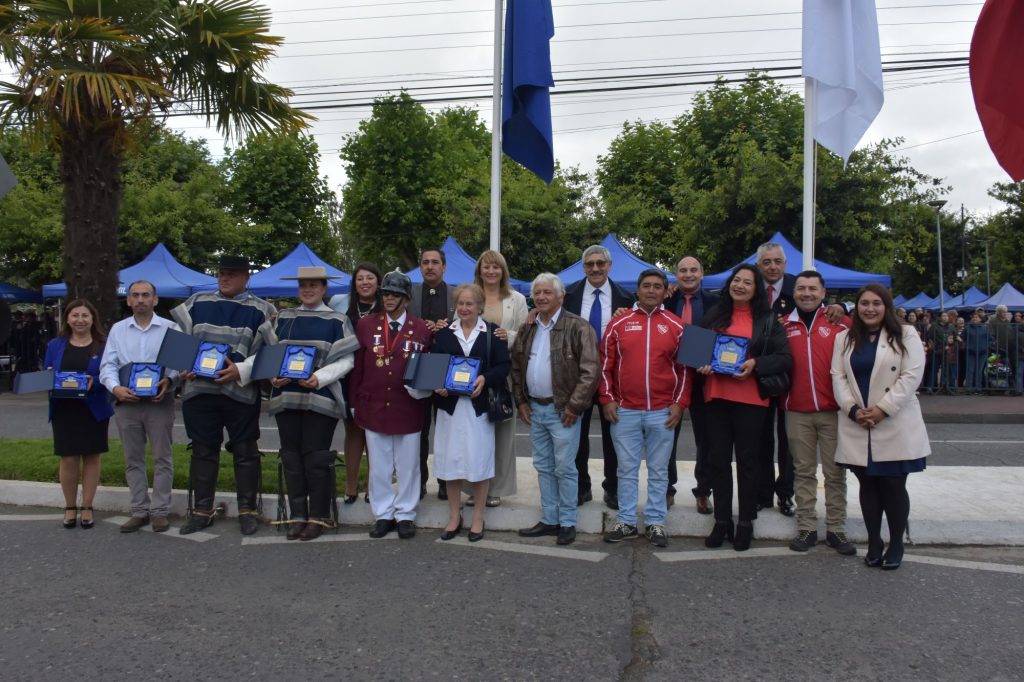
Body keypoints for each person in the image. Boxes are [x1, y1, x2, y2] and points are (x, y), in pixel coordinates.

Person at [238, 266, 358, 541]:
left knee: (316, 458)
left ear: (324, 288)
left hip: (320, 397)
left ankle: (318, 516)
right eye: (303, 285)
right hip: (287, 398)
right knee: (291, 458)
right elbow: (266, 353)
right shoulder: (282, 319)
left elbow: (346, 360)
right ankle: (297, 515)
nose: (308, 289)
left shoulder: (337, 321)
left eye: (314, 285)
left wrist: (319, 377)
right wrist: (272, 374)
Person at [171, 255, 276, 535]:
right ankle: (202, 510)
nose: (224, 278)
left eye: (231, 274)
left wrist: (240, 370)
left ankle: (247, 510)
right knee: (203, 450)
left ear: (246, 278)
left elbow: (269, 354)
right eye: (221, 273)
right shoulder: (197, 302)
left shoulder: (264, 309)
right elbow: (178, 340)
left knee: (245, 451)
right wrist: (183, 364)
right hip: (199, 391)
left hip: (239, 391)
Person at [832, 284, 929, 571]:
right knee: (868, 485)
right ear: (857, 307)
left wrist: (882, 409)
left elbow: (911, 376)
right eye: (864, 303)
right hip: (857, 421)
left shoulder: (907, 334)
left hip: (894, 420)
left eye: (876, 303)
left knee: (893, 486)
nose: (870, 309)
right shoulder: (844, 338)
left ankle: (896, 542)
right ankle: (874, 541)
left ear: (886, 306)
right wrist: (852, 409)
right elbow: (838, 377)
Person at [699, 264, 792, 551]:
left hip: (752, 401)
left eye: (747, 283)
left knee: (748, 462)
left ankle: (745, 521)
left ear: (756, 290)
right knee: (718, 461)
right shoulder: (714, 315)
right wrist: (700, 362)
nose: (739, 285)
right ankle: (722, 520)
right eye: (736, 280)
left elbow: (784, 357)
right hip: (717, 397)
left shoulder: (767, 320)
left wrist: (755, 364)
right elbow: (696, 352)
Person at [599, 269, 691, 548]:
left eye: (657, 286)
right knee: (625, 469)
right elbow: (605, 365)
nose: (652, 290)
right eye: (646, 286)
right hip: (625, 410)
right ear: (637, 291)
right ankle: (626, 520)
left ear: (665, 292)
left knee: (659, 470)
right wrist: (607, 398)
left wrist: (680, 403)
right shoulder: (618, 324)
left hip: (663, 412)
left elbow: (685, 369)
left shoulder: (677, 326)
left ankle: (655, 522)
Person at [512, 273, 599, 546]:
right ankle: (550, 519)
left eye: (547, 292)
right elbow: (517, 368)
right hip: (536, 409)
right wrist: (522, 402)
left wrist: (575, 406)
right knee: (544, 467)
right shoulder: (528, 328)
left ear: (560, 296)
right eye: (537, 292)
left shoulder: (578, 326)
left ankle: (568, 522)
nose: (541, 297)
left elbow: (590, 372)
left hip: (564, 411)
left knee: (565, 468)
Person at [351, 271, 433, 539]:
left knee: (408, 465)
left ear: (406, 299)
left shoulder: (421, 329)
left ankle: (406, 514)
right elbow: (358, 367)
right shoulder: (366, 325)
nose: (388, 298)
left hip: (407, 406)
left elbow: (426, 369)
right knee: (380, 465)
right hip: (374, 404)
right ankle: (384, 514)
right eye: (386, 293)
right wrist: (354, 402)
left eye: (395, 294)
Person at [781, 271, 856, 555]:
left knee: (836, 473)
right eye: (801, 288)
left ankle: (836, 529)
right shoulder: (784, 325)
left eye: (813, 288)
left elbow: (870, 318)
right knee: (803, 471)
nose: (807, 293)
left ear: (823, 292)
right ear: (794, 293)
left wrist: (847, 306)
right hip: (796, 411)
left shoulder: (841, 323)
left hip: (834, 412)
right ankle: (807, 527)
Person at [431, 284, 511, 542]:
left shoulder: (492, 334)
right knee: (450, 463)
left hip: (478, 410)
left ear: (479, 307)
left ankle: (478, 517)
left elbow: (503, 366)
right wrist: (439, 386)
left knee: (479, 462)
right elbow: (435, 367)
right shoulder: (443, 334)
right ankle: (454, 516)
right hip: (450, 410)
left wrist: (484, 379)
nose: (464, 309)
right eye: (460, 304)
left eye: (470, 304)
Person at [99, 281, 179, 533]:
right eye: (136, 295)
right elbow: (107, 365)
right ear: (129, 301)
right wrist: (115, 388)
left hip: (159, 402)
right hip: (127, 402)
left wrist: (169, 380)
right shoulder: (118, 330)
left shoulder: (170, 328)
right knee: (132, 459)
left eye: (146, 295)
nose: (141, 299)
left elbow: (177, 364)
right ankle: (139, 510)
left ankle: (159, 511)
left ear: (155, 300)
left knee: (162, 458)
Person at [563, 244, 635, 509]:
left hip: (613, 378)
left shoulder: (627, 298)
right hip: (577, 376)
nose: (595, 268)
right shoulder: (568, 295)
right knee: (576, 436)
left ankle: (612, 488)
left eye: (600, 263)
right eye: (590, 264)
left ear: (609, 266)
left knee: (614, 436)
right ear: (584, 267)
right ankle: (581, 487)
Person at [44, 299, 114, 530]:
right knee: (68, 457)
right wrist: (51, 377)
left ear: (92, 319)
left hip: (93, 409)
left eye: (85, 315)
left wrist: (96, 383)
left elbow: (111, 376)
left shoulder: (103, 345)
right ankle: (69, 506)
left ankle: (87, 506)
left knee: (92, 457)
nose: (80, 320)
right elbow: (46, 373)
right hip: (64, 409)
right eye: (75, 316)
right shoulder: (55, 344)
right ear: (68, 319)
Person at [470, 249, 528, 507]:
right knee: (474, 434)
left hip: (503, 374)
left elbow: (527, 333)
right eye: (486, 267)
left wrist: (510, 336)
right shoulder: (469, 296)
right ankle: (474, 489)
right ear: (479, 270)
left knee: (502, 433)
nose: (491, 271)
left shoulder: (516, 299)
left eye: (496, 267)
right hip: (472, 375)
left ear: (503, 271)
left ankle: (496, 489)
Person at [663, 255, 718, 514]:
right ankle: (667, 489)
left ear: (702, 274)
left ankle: (703, 491)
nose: (688, 274)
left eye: (693, 270)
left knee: (706, 438)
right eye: (683, 270)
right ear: (676, 275)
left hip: (704, 377)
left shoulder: (717, 303)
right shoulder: (666, 298)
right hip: (670, 377)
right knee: (666, 437)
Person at [330, 261, 383, 503]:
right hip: (348, 373)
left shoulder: (387, 305)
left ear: (378, 282)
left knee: (373, 433)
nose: (365, 282)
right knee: (353, 431)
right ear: (354, 282)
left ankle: (373, 487)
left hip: (376, 375)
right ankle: (350, 486)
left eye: (370, 278)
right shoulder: (339, 303)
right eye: (360, 278)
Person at [408, 247, 456, 500]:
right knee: (420, 429)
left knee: (446, 429)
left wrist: (448, 327)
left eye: (435, 262)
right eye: (425, 262)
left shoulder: (456, 295)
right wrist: (419, 327)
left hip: (448, 369)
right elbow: (404, 325)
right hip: (419, 368)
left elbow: (465, 325)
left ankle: (447, 481)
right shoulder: (411, 295)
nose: (430, 266)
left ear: (444, 267)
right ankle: (420, 481)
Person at [964, 312, 989, 393]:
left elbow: (991, 339)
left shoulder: (985, 328)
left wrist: (986, 346)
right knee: (970, 370)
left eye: (977, 317)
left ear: (980, 319)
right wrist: (965, 344)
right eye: (974, 317)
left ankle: (978, 388)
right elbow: (962, 337)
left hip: (982, 352)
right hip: (971, 351)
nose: (975, 319)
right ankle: (969, 388)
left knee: (979, 370)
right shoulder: (968, 327)